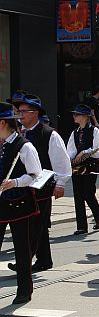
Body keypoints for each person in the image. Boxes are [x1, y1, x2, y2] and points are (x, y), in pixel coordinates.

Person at [9, 94, 71, 274]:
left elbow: (62, 162)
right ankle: (44, 260)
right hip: (22, 186)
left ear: (35, 113)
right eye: (18, 111)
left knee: (36, 226)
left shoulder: (49, 134)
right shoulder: (17, 133)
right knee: (37, 225)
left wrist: (60, 183)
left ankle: (25, 261)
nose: (20, 115)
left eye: (23, 112)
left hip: (42, 186)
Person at [0, 102, 42, 304]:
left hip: (20, 204)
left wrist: (15, 182)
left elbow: (36, 175)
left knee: (22, 250)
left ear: (2, 123)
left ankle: (24, 290)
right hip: (1, 204)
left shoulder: (24, 146)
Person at [66, 103, 99, 235]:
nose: (74, 116)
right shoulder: (74, 132)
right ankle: (81, 226)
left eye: (76, 114)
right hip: (77, 167)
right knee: (78, 195)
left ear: (84, 117)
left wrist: (84, 152)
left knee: (88, 193)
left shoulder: (94, 130)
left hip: (90, 166)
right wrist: (71, 159)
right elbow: (70, 150)